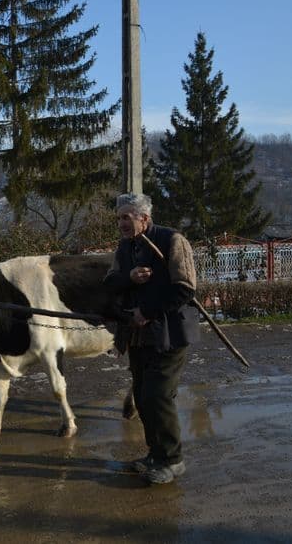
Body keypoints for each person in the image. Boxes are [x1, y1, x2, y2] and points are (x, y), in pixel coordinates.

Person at [103, 193, 200, 485]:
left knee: (157, 396)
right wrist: (129, 278)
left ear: (144, 218)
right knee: (143, 399)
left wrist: (147, 310)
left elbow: (185, 288)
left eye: (126, 217)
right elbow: (109, 283)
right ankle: (155, 455)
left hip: (170, 333)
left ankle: (173, 461)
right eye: (119, 217)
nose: (121, 223)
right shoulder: (125, 248)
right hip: (138, 337)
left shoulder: (172, 241)